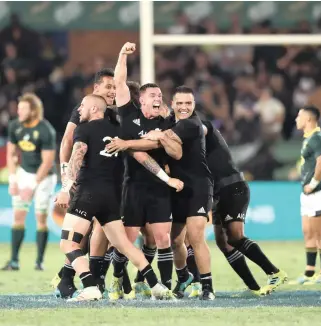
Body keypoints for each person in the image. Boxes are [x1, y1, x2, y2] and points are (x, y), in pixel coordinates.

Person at [55, 94, 174, 302]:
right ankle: (156, 285)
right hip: (112, 198)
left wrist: (65, 188)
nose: (79, 109)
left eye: (82, 106)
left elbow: (77, 156)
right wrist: (166, 178)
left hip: (87, 194)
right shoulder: (119, 133)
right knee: (124, 245)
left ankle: (90, 286)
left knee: (68, 244)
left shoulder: (83, 129)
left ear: (94, 109)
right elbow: (142, 156)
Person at [104, 42, 184, 300]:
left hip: (159, 188)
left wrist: (159, 137)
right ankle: (117, 278)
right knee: (126, 242)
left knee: (163, 239)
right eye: (152, 95)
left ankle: (165, 287)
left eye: (160, 94)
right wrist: (121, 55)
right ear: (141, 99)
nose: (158, 97)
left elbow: (167, 144)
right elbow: (119, 81)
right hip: (134, 186)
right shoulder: (129, 113)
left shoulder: (166, 122)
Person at [187, 119, 287, 297]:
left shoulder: (203, 127)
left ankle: (274, 272)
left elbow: (199, 130)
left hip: (233, 188)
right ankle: (254, 288)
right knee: (223, 242)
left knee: (234, 237)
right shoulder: (193, 147)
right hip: (219, 192)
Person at [142, 86, 215, 300]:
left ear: (194, 106)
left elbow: (176, 152)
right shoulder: (171, 123)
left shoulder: (193, 124)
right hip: (178, 187)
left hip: (198, 187)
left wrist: (159, 136)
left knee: (196, 236)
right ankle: (184, 276)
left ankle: (207, 287)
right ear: (172, 104)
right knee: (174, 240)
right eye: (180, 103)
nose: (184, 107)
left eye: (188, 104)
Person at [52, 68, 118, 299]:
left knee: (104, 232)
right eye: (107, 87)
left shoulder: (118, 113)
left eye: (114, 87)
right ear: (96, 89)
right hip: (87, 181)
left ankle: (88, 278)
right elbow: (67, 143)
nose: (112, 91)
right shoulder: (85, 111)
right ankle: (72, 279)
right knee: (83, 231)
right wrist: (66, 183)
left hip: (112, 182)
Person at [2, 93, 57, 271]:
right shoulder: (15, 126)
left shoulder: (45, 130)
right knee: (18, 216)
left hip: (45, 177)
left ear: (33, 111)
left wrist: (32, 186)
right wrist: (13, 180)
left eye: (23, 108)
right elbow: (11, 154)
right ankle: (14, 261)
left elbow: (47, 161)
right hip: (24, 172)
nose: (19, 111)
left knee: (40, 217)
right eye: (19, 108)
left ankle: (39, 261)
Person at [291, 105, 321, 285]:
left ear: (308, 119)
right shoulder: (309, 138)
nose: (296, 119)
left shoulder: (317, 138)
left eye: (299, 116)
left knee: (320, 233)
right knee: (308, 232)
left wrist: (313, 184)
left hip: (318, 192)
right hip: (308, 193)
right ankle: (309, 273)